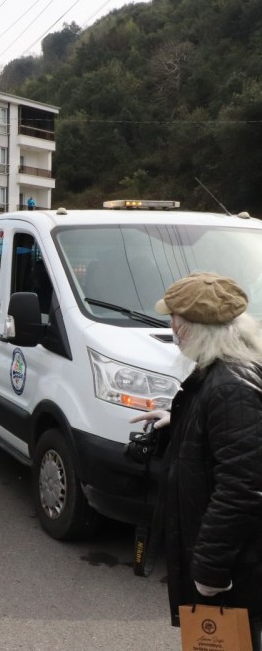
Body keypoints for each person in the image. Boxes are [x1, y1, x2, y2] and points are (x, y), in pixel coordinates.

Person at [131, 272, 262, 648]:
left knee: (233, 640)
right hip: (236, 559)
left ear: (192, 328)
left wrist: (209, 569)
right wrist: (179, 420)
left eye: (174, 320)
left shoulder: (230, 386)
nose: (172, 328)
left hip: (236, 566)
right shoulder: (227, 373)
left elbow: (242, 487)